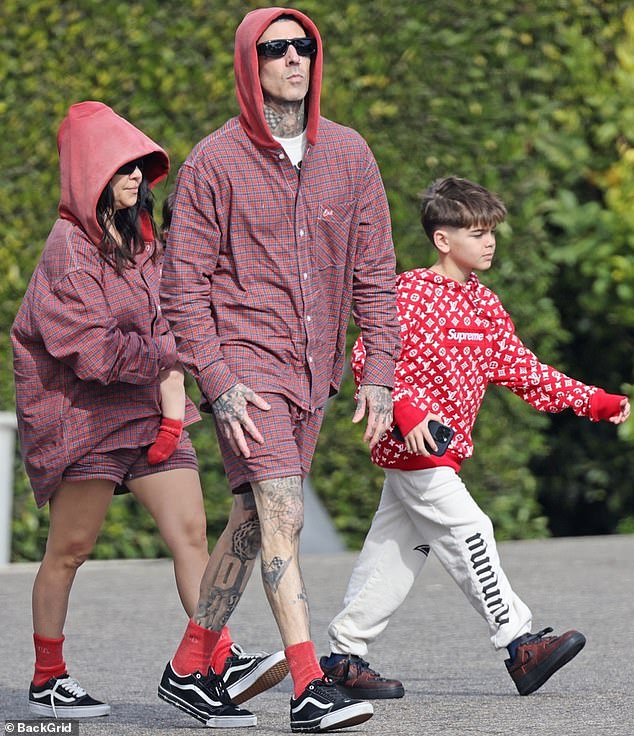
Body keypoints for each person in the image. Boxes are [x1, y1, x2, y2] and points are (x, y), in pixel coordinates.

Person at [158, 7, 401, 731]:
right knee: (283, 517)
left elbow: (376, 273)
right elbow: (182, 286)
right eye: (276, 48)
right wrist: (218, 378)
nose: (294, 58)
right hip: (246, 371)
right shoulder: (213, 162)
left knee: (250, 521)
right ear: (250, 62)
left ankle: (186, 668)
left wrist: (379, 373)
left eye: (304, 46)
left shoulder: (351, 154)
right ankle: (307, 687)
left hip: (312, 373)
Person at [11, 101, 285, 722]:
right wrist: (179, 350)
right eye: (122, 166)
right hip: (81, 417)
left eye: (141, 165)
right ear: (89, 172)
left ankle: (213, 658)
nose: (136, 177)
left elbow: (172, 316)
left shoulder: (143, 241)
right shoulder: (68, 250)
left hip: (148, 409)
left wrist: (173, 397)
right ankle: (47, 678)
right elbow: (95, 353)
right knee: (70, 550)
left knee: (192, 534)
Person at [320, 176, 631, 701]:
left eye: (492, 232)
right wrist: (407, 409)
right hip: (417, 450)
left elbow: (525, 371)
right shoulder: (408, 292)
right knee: (473, 530)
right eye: (477, 231)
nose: (489, 241)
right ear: (443, 239)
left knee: (395, 553)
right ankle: (518, 643)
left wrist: (600, 402)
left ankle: (343, 658)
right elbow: (369, 354)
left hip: (441, 456)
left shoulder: (484, 306)